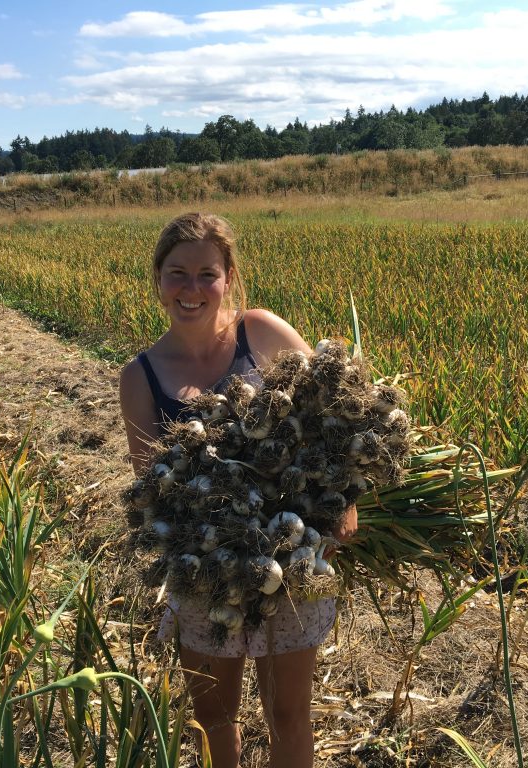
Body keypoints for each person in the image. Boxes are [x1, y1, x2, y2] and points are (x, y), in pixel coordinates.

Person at [119, 213, 357, 768]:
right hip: (206, 570)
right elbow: (152, 492)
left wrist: (346, 501)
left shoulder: (262, 333)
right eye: (178, 273)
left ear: (228, 277)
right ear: (158, 279)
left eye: (208, 274)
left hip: (294, 558)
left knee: (290, 715)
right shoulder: (141, 377)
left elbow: (340, 417)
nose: (192, 289)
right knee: (213, 716)